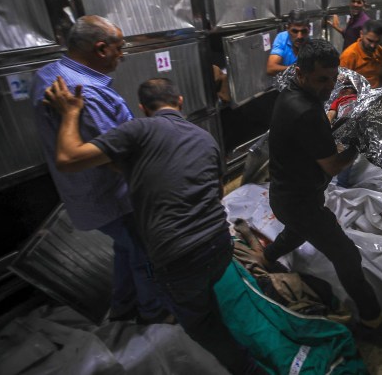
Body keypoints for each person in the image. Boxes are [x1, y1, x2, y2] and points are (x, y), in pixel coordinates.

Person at [43, 77, 266, 375]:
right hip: (219, 243)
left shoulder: (138, 129)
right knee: (204, 294)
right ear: (181, 102)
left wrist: (70, 114)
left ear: (142, 108)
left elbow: (68, 159)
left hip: (180, 258)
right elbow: (215, 192)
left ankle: (247, 369)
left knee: (200, 323)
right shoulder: (205, 138)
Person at [29, 15, 167, 324]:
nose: (123, 54)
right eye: (120, 48)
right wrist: (151, 181)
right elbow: (113, 155)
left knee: (126, 249)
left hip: (88, 194)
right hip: (114, 196)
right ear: (101, 49)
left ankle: (122, 307)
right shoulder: (84, 94)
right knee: (145, 254)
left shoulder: (50, 73)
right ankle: (154, 314)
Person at [262, 39, 382, 337]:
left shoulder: (292, 96)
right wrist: (359, 142)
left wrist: (337, 121)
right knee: (346, 255)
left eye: (332, 78)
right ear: (300, 73)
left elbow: (315, 133)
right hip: (297, 201)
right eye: (321, 80)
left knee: (298, 231)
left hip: (288, 196)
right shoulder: (305, 111)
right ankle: (373, 321)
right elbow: (334, 166)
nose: (328, 86)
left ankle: (266, 258)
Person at [339, 19, 382, 88]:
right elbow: (342, 84)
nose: (373, 45)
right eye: (370, 40)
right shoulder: (349, 55)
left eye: (377, 42)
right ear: (361, 34)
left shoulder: (380, 51)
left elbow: (380, 75)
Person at [266, 9, 311, 76]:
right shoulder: (282, 38)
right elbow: (271, 69)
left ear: (309, 29)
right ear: (287, 29)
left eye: (303, 31)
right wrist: (297, 70)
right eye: (295, 31)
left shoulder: (312, 44)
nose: (299, 36)